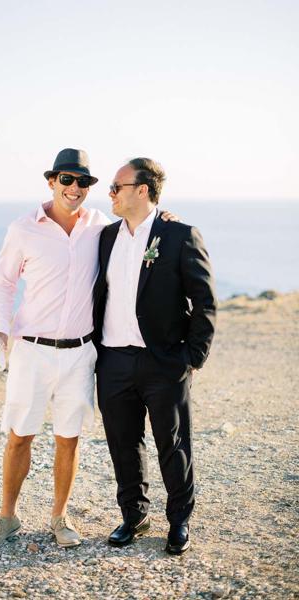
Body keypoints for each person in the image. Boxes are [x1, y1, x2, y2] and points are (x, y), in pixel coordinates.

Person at [0, 148, 176, 551]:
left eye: (83, 182)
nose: (75, 188)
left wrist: (164, 219)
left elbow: (141, 225)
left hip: (81, 352)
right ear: (52, 182)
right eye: (66, 179)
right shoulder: (22, 229)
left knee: (69, 438)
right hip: (32, 350)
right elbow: (3, 282)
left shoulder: (100, 226)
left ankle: (59, 517)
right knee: (20, 436)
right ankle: (7, 517)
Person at [93, 157, 217, 554]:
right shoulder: (105, 237)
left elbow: (204, 300)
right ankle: (134, 516)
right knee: (123, 443)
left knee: (173, 443)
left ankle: (179, 520)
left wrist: (192, 356)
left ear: (142, 190)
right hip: (113, 359)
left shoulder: (179, 235)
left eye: (117, 187)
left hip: (164, 361)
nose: (110, 194)